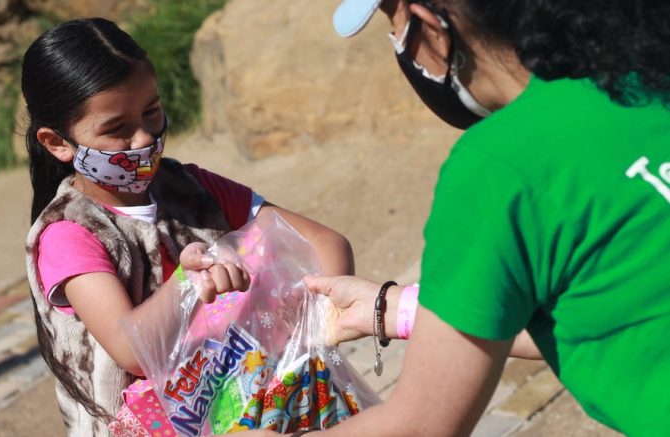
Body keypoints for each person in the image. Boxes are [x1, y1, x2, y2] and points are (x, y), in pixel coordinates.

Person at [246, 0, 670, 436]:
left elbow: (420, 427)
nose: (400, 51)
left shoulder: (500, 165)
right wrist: (388, 308)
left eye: (396, 32)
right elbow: (588, 310)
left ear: (432, 25)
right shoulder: (645, 69)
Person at [21, 18, 354, 436]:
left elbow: (324, 243)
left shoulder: (194, 189)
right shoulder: (68, 234)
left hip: (247, 407)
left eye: (151, 112)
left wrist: (310, 325)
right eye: (116, 129)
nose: (143, 138)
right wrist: (188, 284)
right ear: (58, 142)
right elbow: (132, 351)